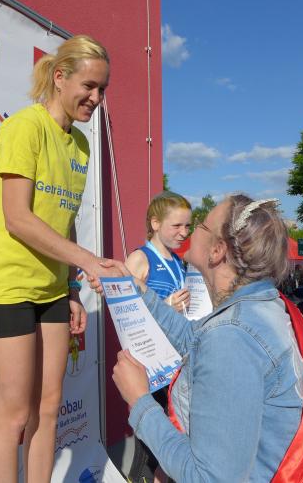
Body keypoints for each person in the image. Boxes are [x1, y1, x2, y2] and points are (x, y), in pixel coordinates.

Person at [0, 35, 115, 483]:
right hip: (9, 289)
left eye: (102, 89)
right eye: (88, 86)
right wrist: (89, 260)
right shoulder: (24, 127)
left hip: (53, 291)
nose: (95, 98)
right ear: (59, 77)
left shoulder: (82, 145)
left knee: (49, 408)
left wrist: (72, 286)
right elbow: (18, 218)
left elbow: (64, 220)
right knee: (13, 416)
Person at [107, 196, 303, 481]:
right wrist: (137, 288)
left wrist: (139, 400)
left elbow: (209, 478)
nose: (191, 231)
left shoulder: (232, 337)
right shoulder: (257, 308)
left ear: (217, 250)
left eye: (201, 226)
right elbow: (192, 338)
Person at [123, 191, 191, 482]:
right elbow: (125, 316)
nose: (184, 232)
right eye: (177, 226)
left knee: (174, 445)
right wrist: (165, 306)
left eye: (187, 226)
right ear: (155, 223)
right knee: (151, 450)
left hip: (177, 365)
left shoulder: (177, 260)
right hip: (151, 368)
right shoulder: (140, 258)